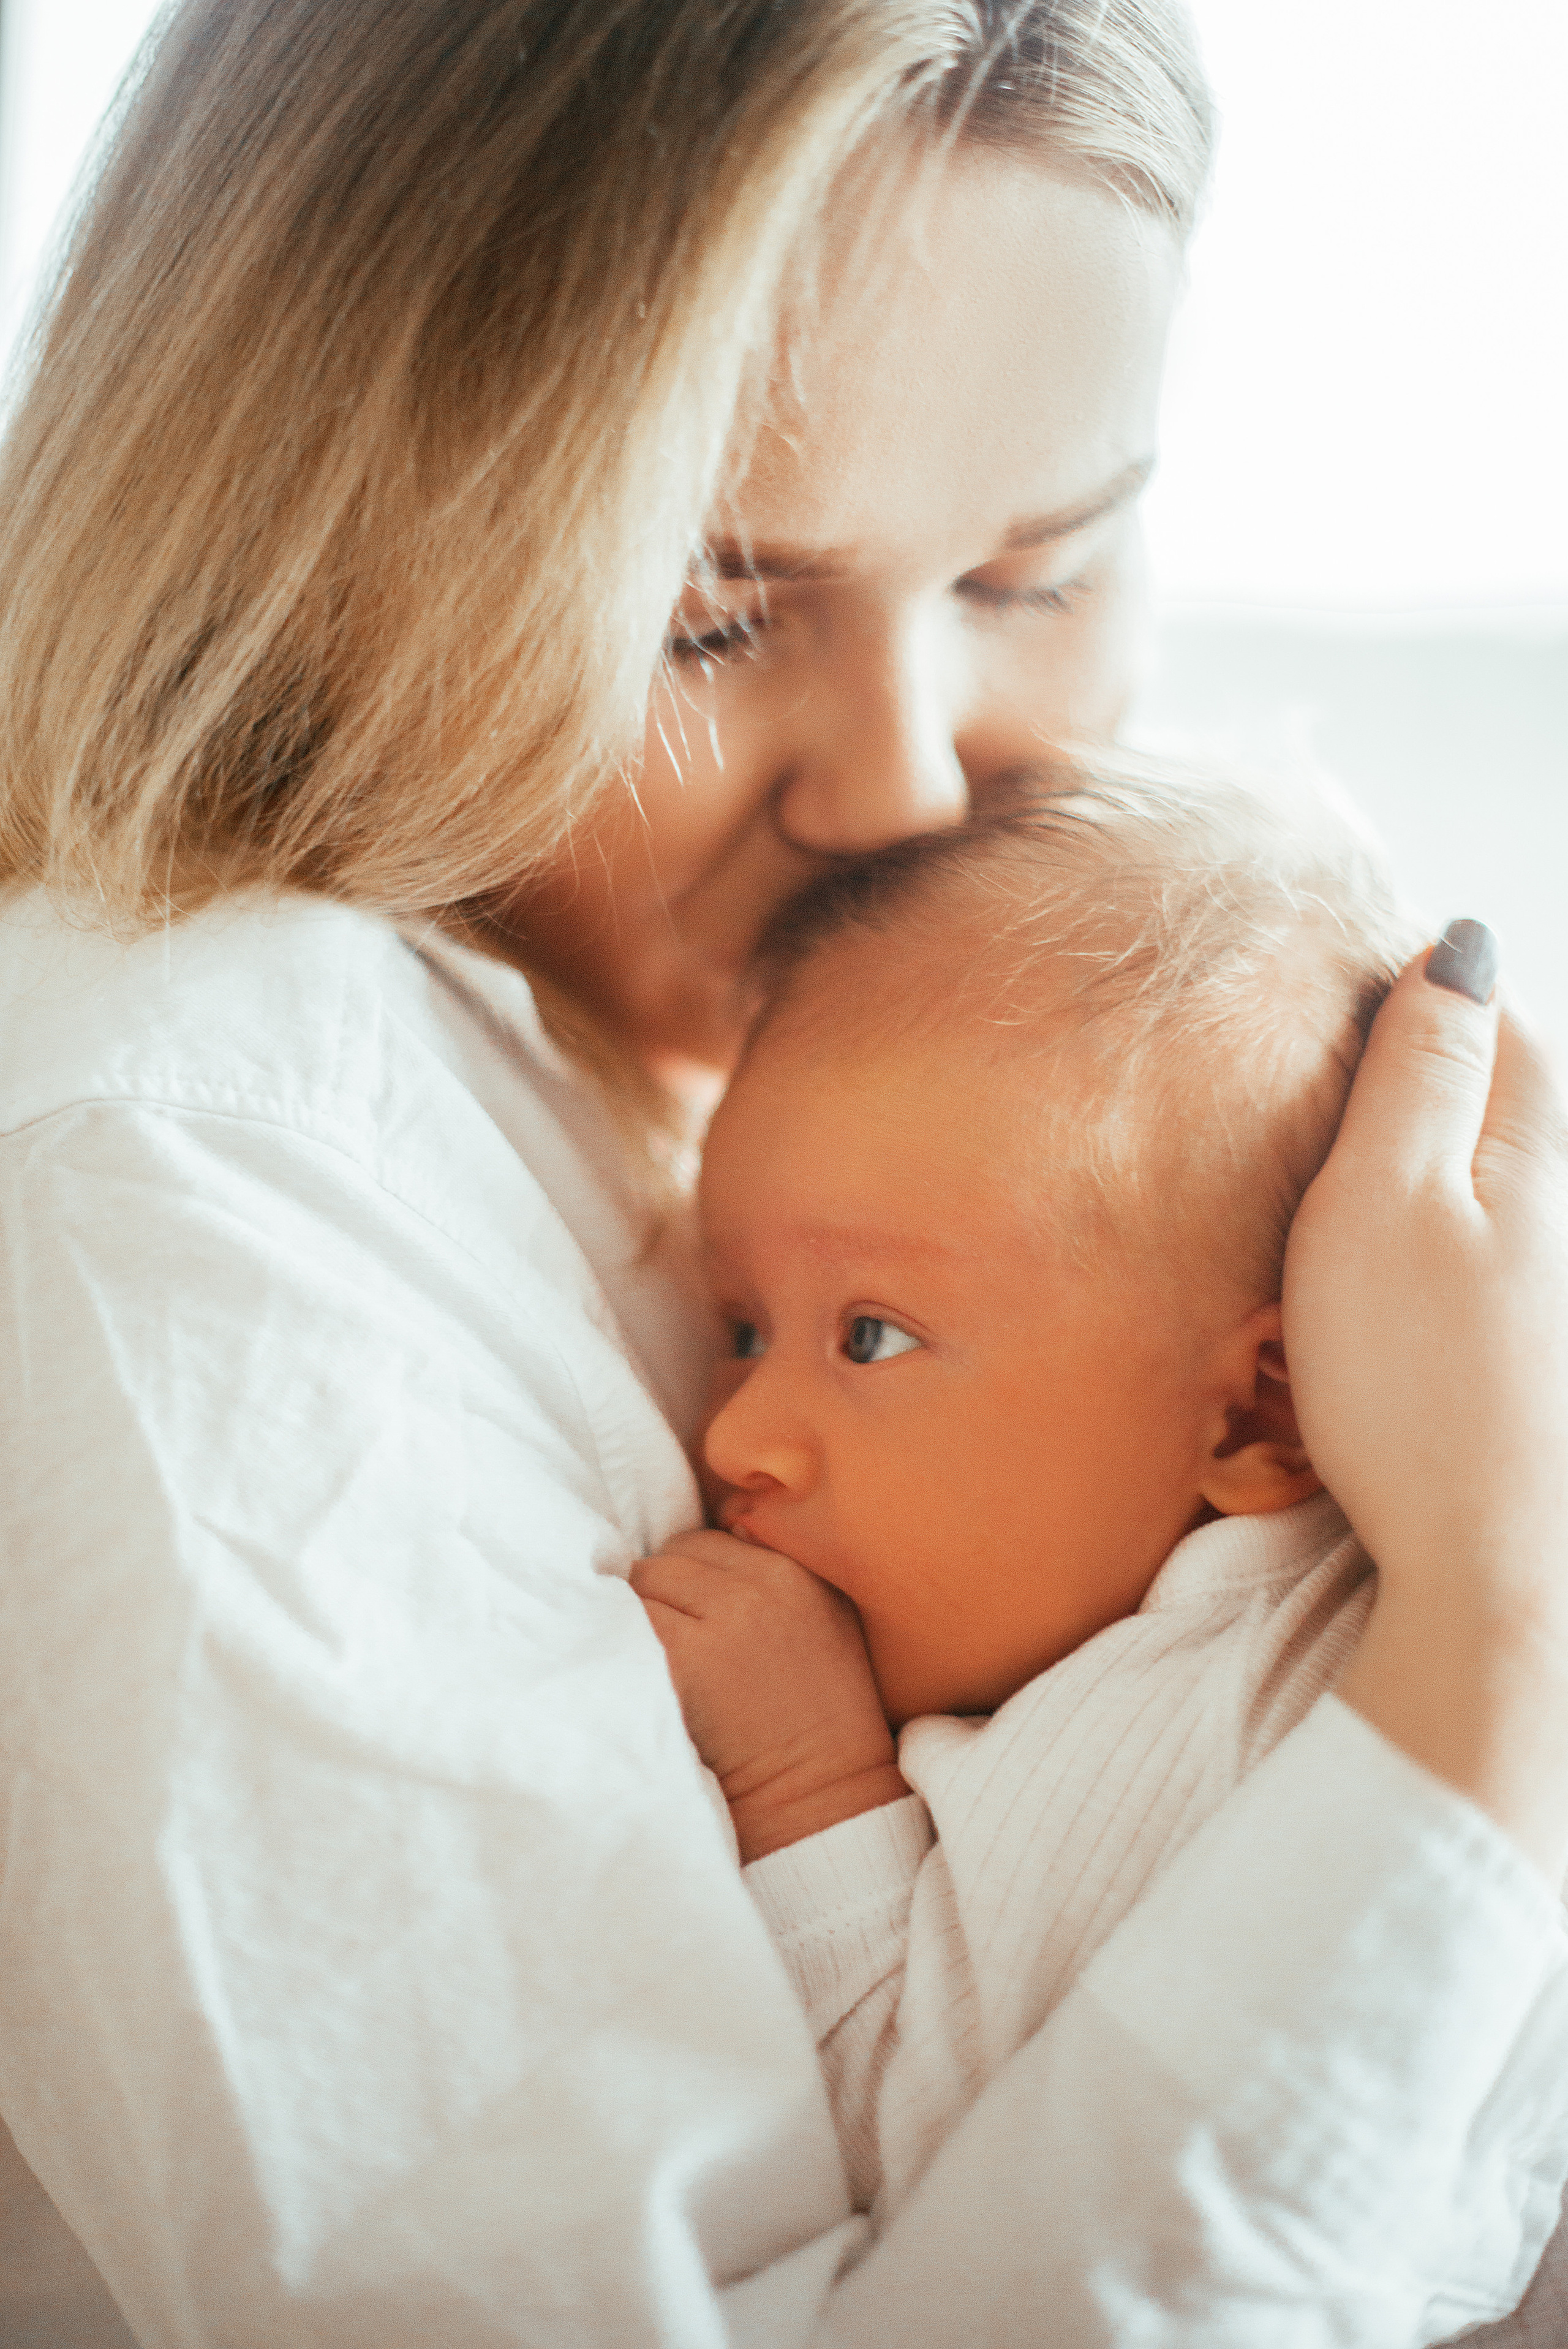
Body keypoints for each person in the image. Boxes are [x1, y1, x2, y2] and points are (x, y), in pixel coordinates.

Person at [1, 4, 1567, 2345]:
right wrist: (1503, 1632)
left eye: (1039, 573)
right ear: (313, 527)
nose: (915, 784)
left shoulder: (698, 1043)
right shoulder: (196, 1191)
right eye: (709, 617)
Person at [632, 770, 1568, 2337]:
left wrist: (810, 1794)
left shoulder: (1162, 1719)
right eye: (741, 1329)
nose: (733, 1437)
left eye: (869, 1335)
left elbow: (931, 2193)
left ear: (1262, 1410)